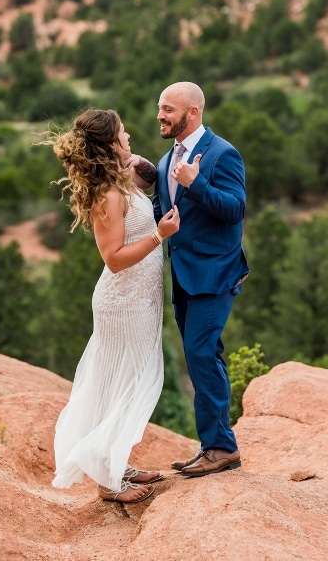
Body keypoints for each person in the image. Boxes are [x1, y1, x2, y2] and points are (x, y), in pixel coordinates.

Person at [48, 108, 180, 504]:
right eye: (123, 136)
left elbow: (149, 179)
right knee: (129, 381)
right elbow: (114, 257)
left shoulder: (118, 181)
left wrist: (140, 166)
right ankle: (108, 481)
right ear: (109, 144)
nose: (129, 139)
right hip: (122, 303)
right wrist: (160, 235)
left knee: (128, 379)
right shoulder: (107, 194)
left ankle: (114, 461)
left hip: (140, 298)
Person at [153, 82, 248, 477]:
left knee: (200, 353)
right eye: (159, 107)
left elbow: (235, 208)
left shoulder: (223, 154)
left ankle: (222, 448)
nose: (160, 115)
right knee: (202, 355)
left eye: (168, 109)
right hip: (183, 276)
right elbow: (170, 209)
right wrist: (147, 178)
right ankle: (213, 444)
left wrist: (198, 184)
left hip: (215, 273)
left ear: (192, 112)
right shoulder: (165, 159)